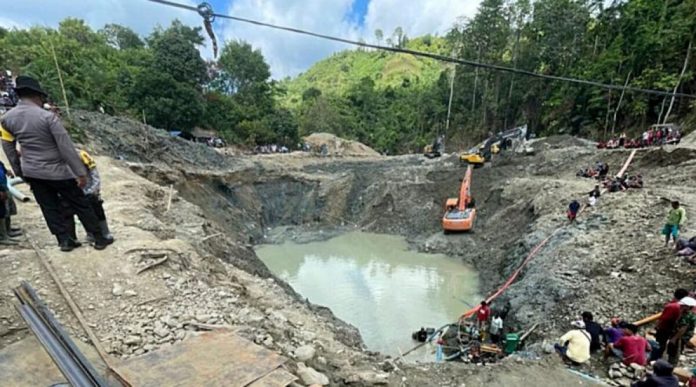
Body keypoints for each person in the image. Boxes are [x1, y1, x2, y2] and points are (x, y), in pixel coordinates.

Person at [0, 76, 110, 251]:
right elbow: (66, 147)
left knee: (49, 207)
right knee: (80, 203)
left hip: (33, 172)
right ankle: (99, 238)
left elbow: (9, 149)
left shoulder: (7, 119)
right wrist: (80, 173)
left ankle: (64, 241)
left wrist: (20, 171)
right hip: (58, 171)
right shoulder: (48, 117)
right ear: (37, 96)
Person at [652, 288, 690, 361]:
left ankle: (656, 358)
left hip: (665, 327)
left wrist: (657, 325)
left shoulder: (672, 306)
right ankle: (669, 359)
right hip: (674, 329)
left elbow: (664, 318)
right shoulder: (685, 307)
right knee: (672, 347)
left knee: (660, 344)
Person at [667, 296, 696, 366]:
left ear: (688, 307)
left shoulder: (687, 316)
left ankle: (671, 365)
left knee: (675, 352)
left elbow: (683, 328)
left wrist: (674, 338)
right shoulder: (685, 313)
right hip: (679, 336)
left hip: (680, 338)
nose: (681, 306)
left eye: (683, 305)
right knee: (672, 351)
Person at [0, 160, 19, 245]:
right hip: (1, 189)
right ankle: (2, 236)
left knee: (7, 209)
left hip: (4, 186)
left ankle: (8, 230)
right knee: (1, 212)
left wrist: (6, 171)